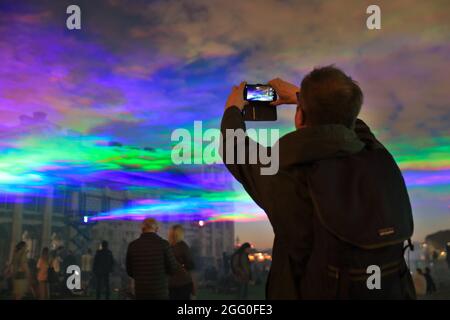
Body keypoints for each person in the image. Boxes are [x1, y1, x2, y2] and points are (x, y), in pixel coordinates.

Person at [221, 66, 415, 299]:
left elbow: (236, 150)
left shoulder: (286, 175)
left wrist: (233, 108)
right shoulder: (381, 161)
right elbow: (356, 129)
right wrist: (302, 98)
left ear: (300, 116)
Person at [126, 218, 180, 299]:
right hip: (159, 292)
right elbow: (173, 268)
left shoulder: (132, 246)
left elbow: (129, 271)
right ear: (157, 229)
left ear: (142, 229)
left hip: (141, 292)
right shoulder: (164, 244)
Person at [168, 225, 195, 300]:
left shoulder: (168, 247)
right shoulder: (183, 246)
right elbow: (190, 265)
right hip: (183, 282)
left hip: (172, 283)